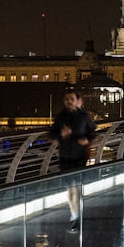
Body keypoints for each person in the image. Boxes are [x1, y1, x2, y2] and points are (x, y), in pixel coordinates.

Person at [48, 89, 97, 232]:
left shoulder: (84, 116)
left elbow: (93, 132)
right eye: (66, 99)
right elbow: (51, 133)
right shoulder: (60, 117)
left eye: (71, 99)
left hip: (79, 156)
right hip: (65, 156)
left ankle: (77, 216)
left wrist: (86, 140)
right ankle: (74, 216)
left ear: (77, 101)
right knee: (70, 188)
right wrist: (61, 134)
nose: (69, 102)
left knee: (77, 188)